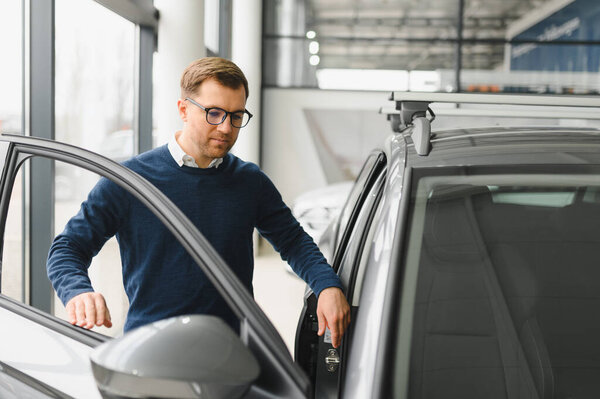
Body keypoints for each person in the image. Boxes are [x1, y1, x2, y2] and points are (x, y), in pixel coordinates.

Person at [47, 57, 350, 348]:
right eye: (214, 113)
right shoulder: (131, 181)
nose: (226, 128)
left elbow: (294, 241)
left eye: (236, 116)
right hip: (151, 350)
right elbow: (67, 248)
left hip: (230, 354)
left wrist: (327, 285)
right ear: (183, 109)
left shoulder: (249, 182)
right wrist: (78, 292)